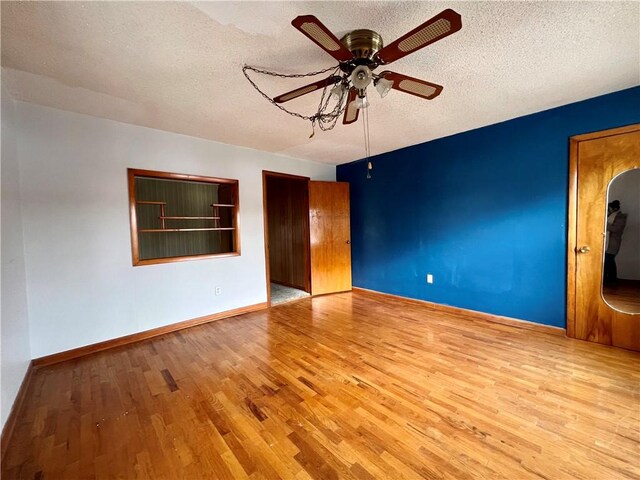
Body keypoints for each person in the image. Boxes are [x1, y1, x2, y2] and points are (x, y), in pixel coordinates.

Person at [604, 200, 627, 286]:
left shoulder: (621, 217)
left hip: (613, 243)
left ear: (615, 209)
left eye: (609, 209)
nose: (608, 211)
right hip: (607, 243)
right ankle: (607, 280)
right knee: (607, 261)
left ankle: (612, 280)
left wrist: (604, 222)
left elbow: (615, 229)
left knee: (609, 261)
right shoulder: (609, 216)